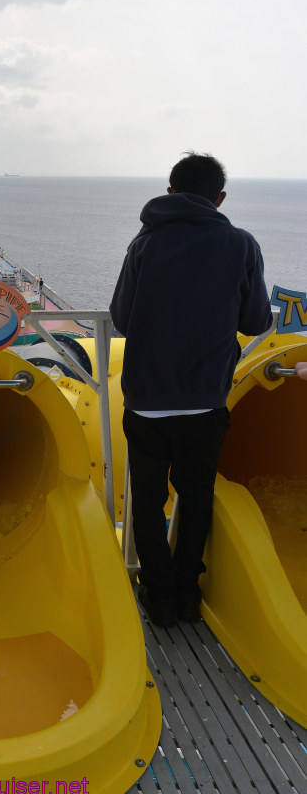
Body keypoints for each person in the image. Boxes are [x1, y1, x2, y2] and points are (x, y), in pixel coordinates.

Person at [109, 152, 273, 627]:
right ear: (219, 198)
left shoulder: (145, 244)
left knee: (146, 497)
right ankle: (188, 593)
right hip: (206, 399)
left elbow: (120, 318)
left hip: (146, 399)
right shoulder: (241, 244)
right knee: (196, 493)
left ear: (169, 191)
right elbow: (257, 320)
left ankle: (157, 597)